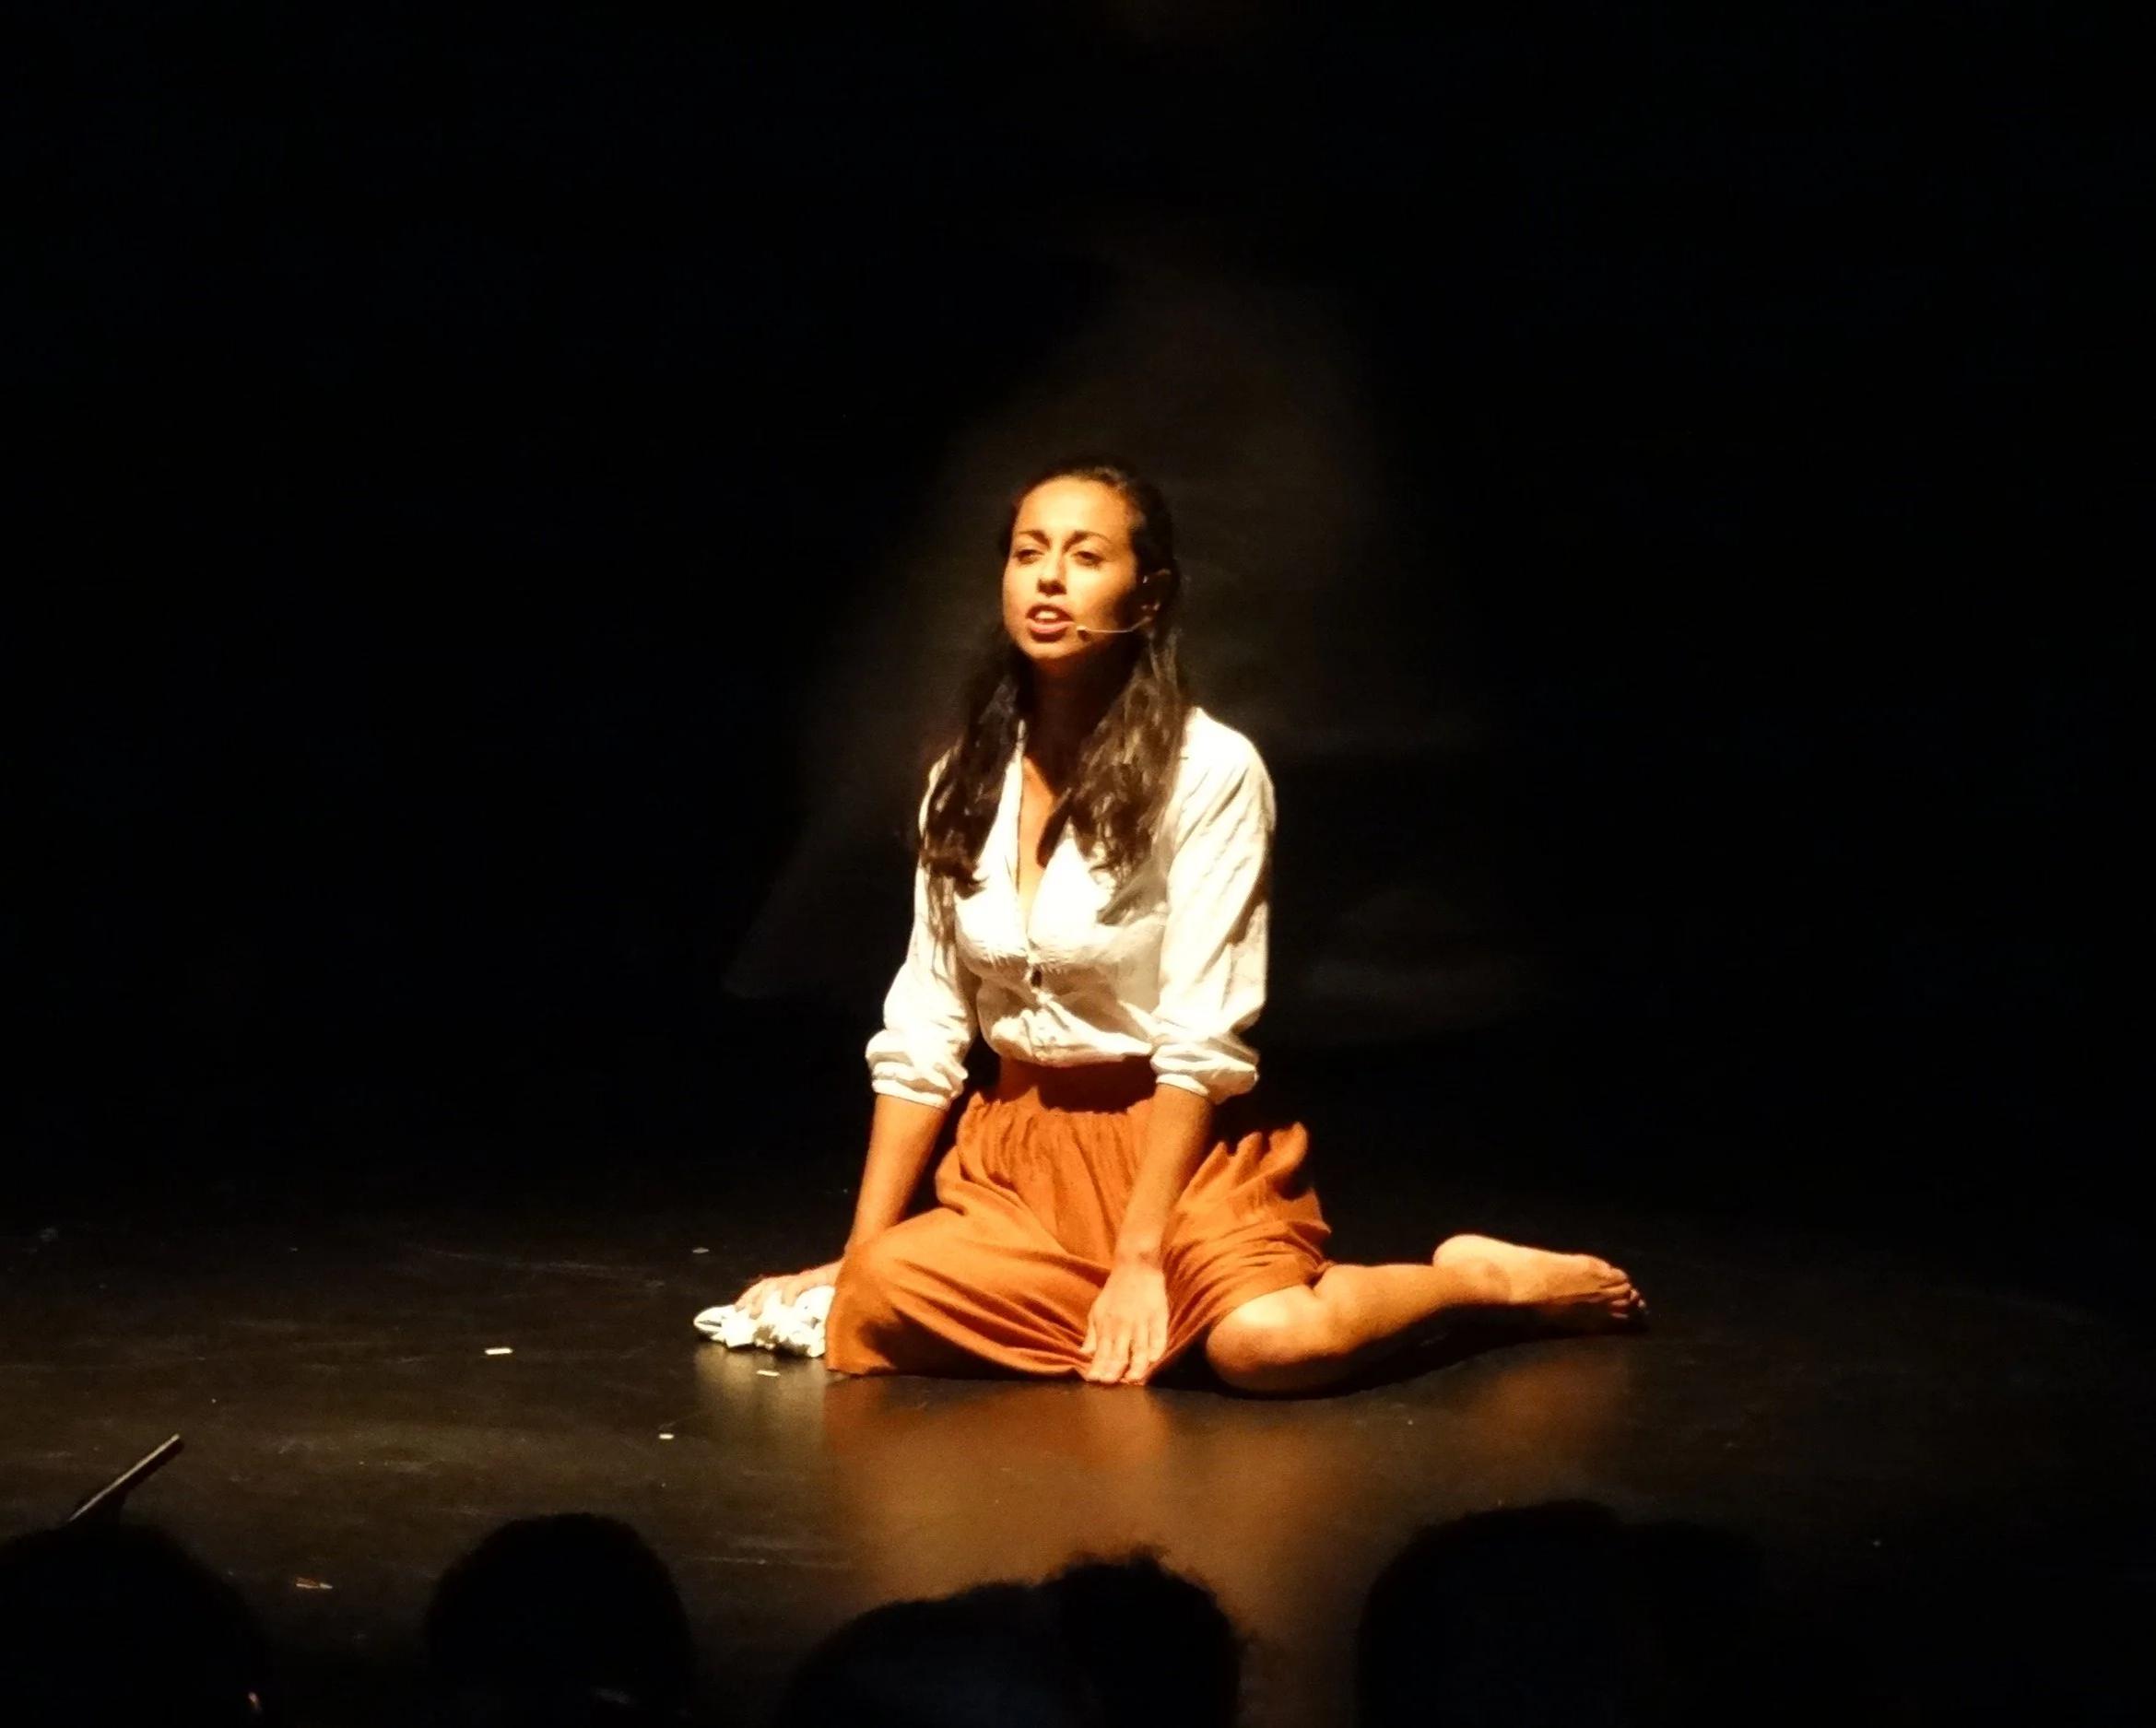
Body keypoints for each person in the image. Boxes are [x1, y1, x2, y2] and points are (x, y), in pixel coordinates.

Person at [736, 460, 1644, 1392]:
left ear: (1147, 595)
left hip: (1176, 1150)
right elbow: (925, 1031)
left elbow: (1198, 1032)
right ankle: (1114, 1318)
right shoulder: (963, 780)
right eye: (1027, 554)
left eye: (1085, 556)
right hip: (1019, 1156)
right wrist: (858, 1252)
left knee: (1270, 1348)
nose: (1048, 579)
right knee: (880, 1294)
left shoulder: (1209, 771)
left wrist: (1138, 1259)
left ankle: (1470, 1286)